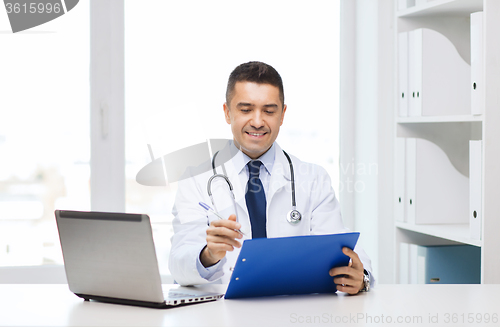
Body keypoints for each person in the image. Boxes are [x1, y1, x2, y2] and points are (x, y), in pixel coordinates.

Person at [169, 61, 373, 294]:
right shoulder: (195, 180)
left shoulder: (313, 178)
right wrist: (209, 254)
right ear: (227, 112)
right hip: (222, 314)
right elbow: (179, 262)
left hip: (292, 312)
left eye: (269, 110)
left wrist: (360, 277)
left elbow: (342, 248)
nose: (257, 121)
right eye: (245, 110)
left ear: (283, 114)